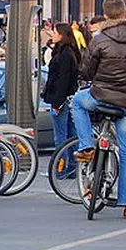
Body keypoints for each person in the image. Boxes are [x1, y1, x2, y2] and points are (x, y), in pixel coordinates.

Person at [72, 0, 126, 220]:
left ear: (106, 15)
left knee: (77, 102)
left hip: (100, 97)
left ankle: (86, 145)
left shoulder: (100, 39)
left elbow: (86, 69)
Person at [41, 23, 81, 178]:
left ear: (62, 35)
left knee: (60, 137)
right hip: (69, 97)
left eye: (55, 32)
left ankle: (60, 170)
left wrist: (57, 102)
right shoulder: (69, 51)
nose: (53, 34)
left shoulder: (64, 54)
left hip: (61, 99)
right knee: (71, 135)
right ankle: (71, 169)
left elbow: (62, 80)